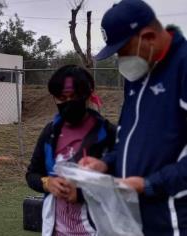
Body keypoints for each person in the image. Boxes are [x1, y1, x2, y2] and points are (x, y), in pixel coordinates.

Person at [79, 0, 187, 235]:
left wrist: (149, 184)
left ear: (148, 36)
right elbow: (128, 138)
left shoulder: (183, 65)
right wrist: (105, 163)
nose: (121, 59)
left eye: (123, 51)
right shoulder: (138, 73)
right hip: (134, 216)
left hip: (174, 218)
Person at [26, 65, 115, 236]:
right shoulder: (50, 132)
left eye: (74, 97)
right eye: (61, 98)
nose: (68, 103)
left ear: (88, 95)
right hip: (57, 229)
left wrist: (81, 193)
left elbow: (120, 182)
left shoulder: (108, 133)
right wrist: (48, 183)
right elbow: (32, 175)